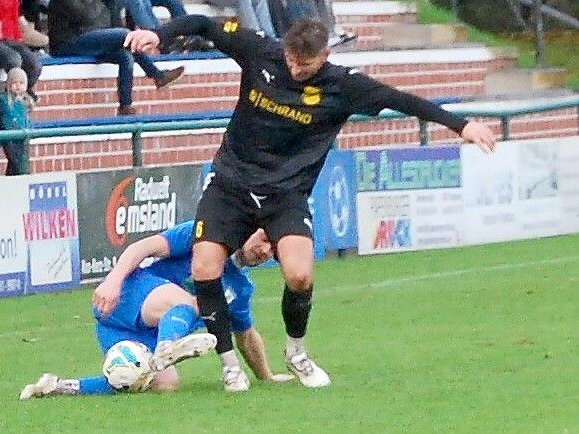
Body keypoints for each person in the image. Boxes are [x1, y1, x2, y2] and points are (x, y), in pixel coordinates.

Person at [124, 16, 496, 392]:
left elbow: (401, 99)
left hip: (286, 193)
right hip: (231, 183)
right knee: (205, 268)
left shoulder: (343, 85)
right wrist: (160, 34)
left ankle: (297, 352)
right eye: (291, 59)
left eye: (305, 63)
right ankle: (229, 363)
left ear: (325, 55)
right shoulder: (260, 51)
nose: (295, 68)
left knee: (300, 275)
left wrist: (461, 126)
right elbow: (204, 23)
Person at [19, 221, 292, 398]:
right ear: (251, 227)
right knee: (192, 303)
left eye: (274, 252)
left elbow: (245, 336)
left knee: (161, 383)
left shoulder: (241, 289)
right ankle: (166, 348)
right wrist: (113, 281)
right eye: (265, 239)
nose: (265, 251)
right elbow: (143, 247)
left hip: (122, 330)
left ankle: (58, 387)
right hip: (126, 298)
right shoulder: (205, 235)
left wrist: (266, 376)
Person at [48, 0, 185, 116]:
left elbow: (105, 22)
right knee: (125, 35)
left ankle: (125, 106)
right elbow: (88, 17)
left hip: (89, 38)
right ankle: (157, 75)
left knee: (125, 55)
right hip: (68, 44)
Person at [0, 67, 34, 176]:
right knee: (15, 161)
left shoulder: (25, 101)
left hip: (23, 136)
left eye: (21, 83)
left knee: (22, 162)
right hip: (10, 134)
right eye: (14, 83)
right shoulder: (4, 99)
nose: (17, 86)